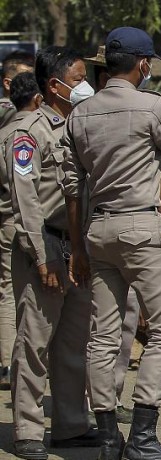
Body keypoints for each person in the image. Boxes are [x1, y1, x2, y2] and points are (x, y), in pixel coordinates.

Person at [60, 26, 161, 460]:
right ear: (143, 64)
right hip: (140, 228)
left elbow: (71, 184)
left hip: (97, 232)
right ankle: (142, 437)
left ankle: (106, 440)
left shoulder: (79, 114)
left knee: (103, 337)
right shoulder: (153, 106)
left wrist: (79, 246)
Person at [8, 46, 99, 460]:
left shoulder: (76, 125)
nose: (86, 85)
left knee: (73, 342)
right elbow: (26, 200)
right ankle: (27, 427)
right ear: (54, 84)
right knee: (35, 342)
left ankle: (70, 425)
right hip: (43, 243)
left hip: (76, 245)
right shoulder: (27, 130)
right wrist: (41, 256)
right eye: (78, 78)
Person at [0, 71, 40, 391]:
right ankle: (11, 364)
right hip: (19, 223)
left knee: (11, 294)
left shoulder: (7, 131)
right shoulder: (25, 134)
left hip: (10, 221)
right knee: (18, 298)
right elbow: (26, 189)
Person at [0, 50, 35, 129]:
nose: (32, 82)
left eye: (32, 77)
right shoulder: (11, 110)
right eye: (25, 78)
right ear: (8, 84)